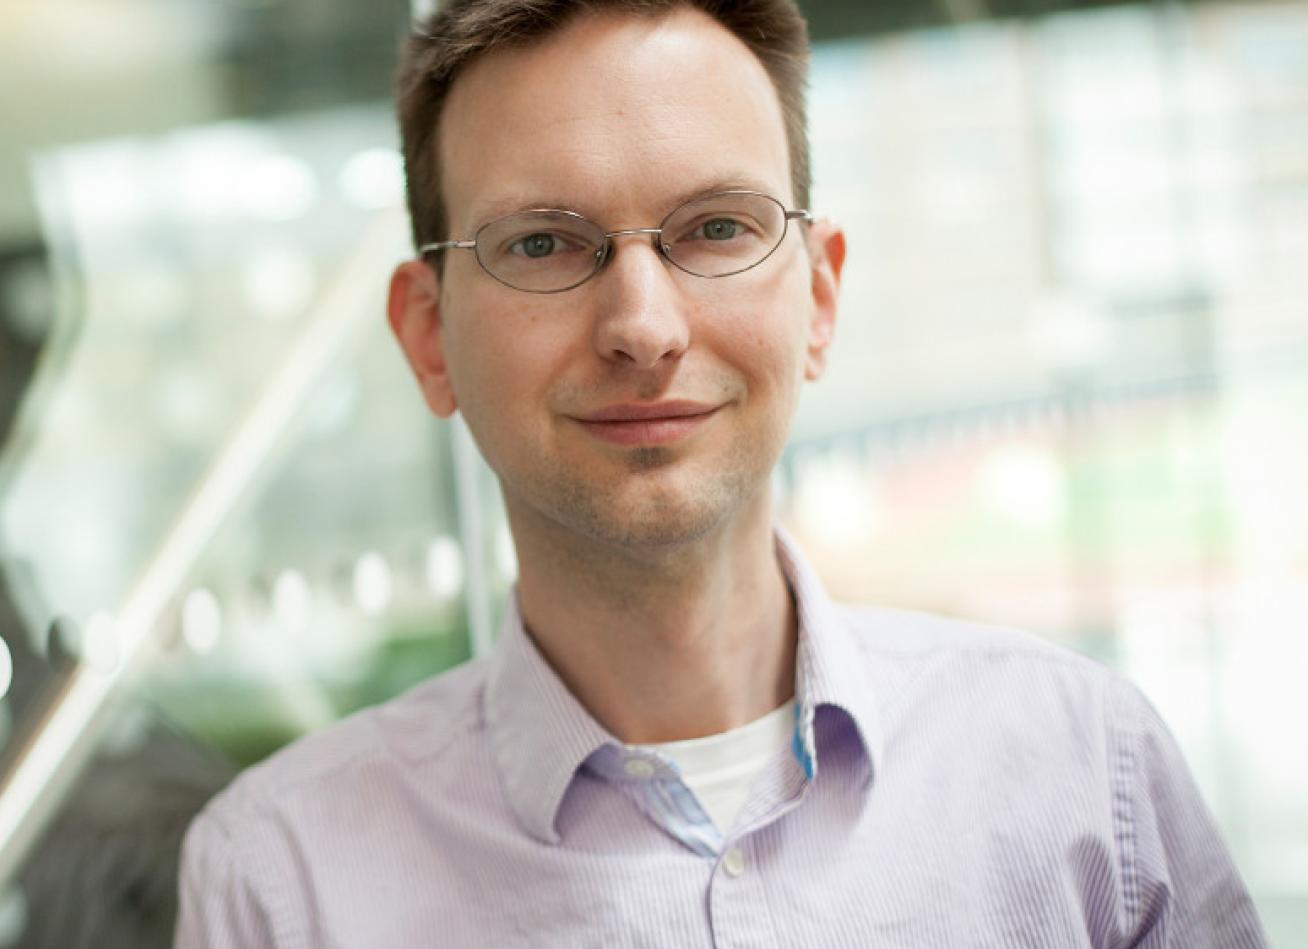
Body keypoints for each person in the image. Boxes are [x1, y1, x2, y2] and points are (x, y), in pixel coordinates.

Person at [175, 0, 1270, 945]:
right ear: (428, 336)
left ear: (819, 299)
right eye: (543, 244)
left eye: (714, 228)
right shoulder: (281, 883)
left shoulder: (1084, 769)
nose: (643, 326)